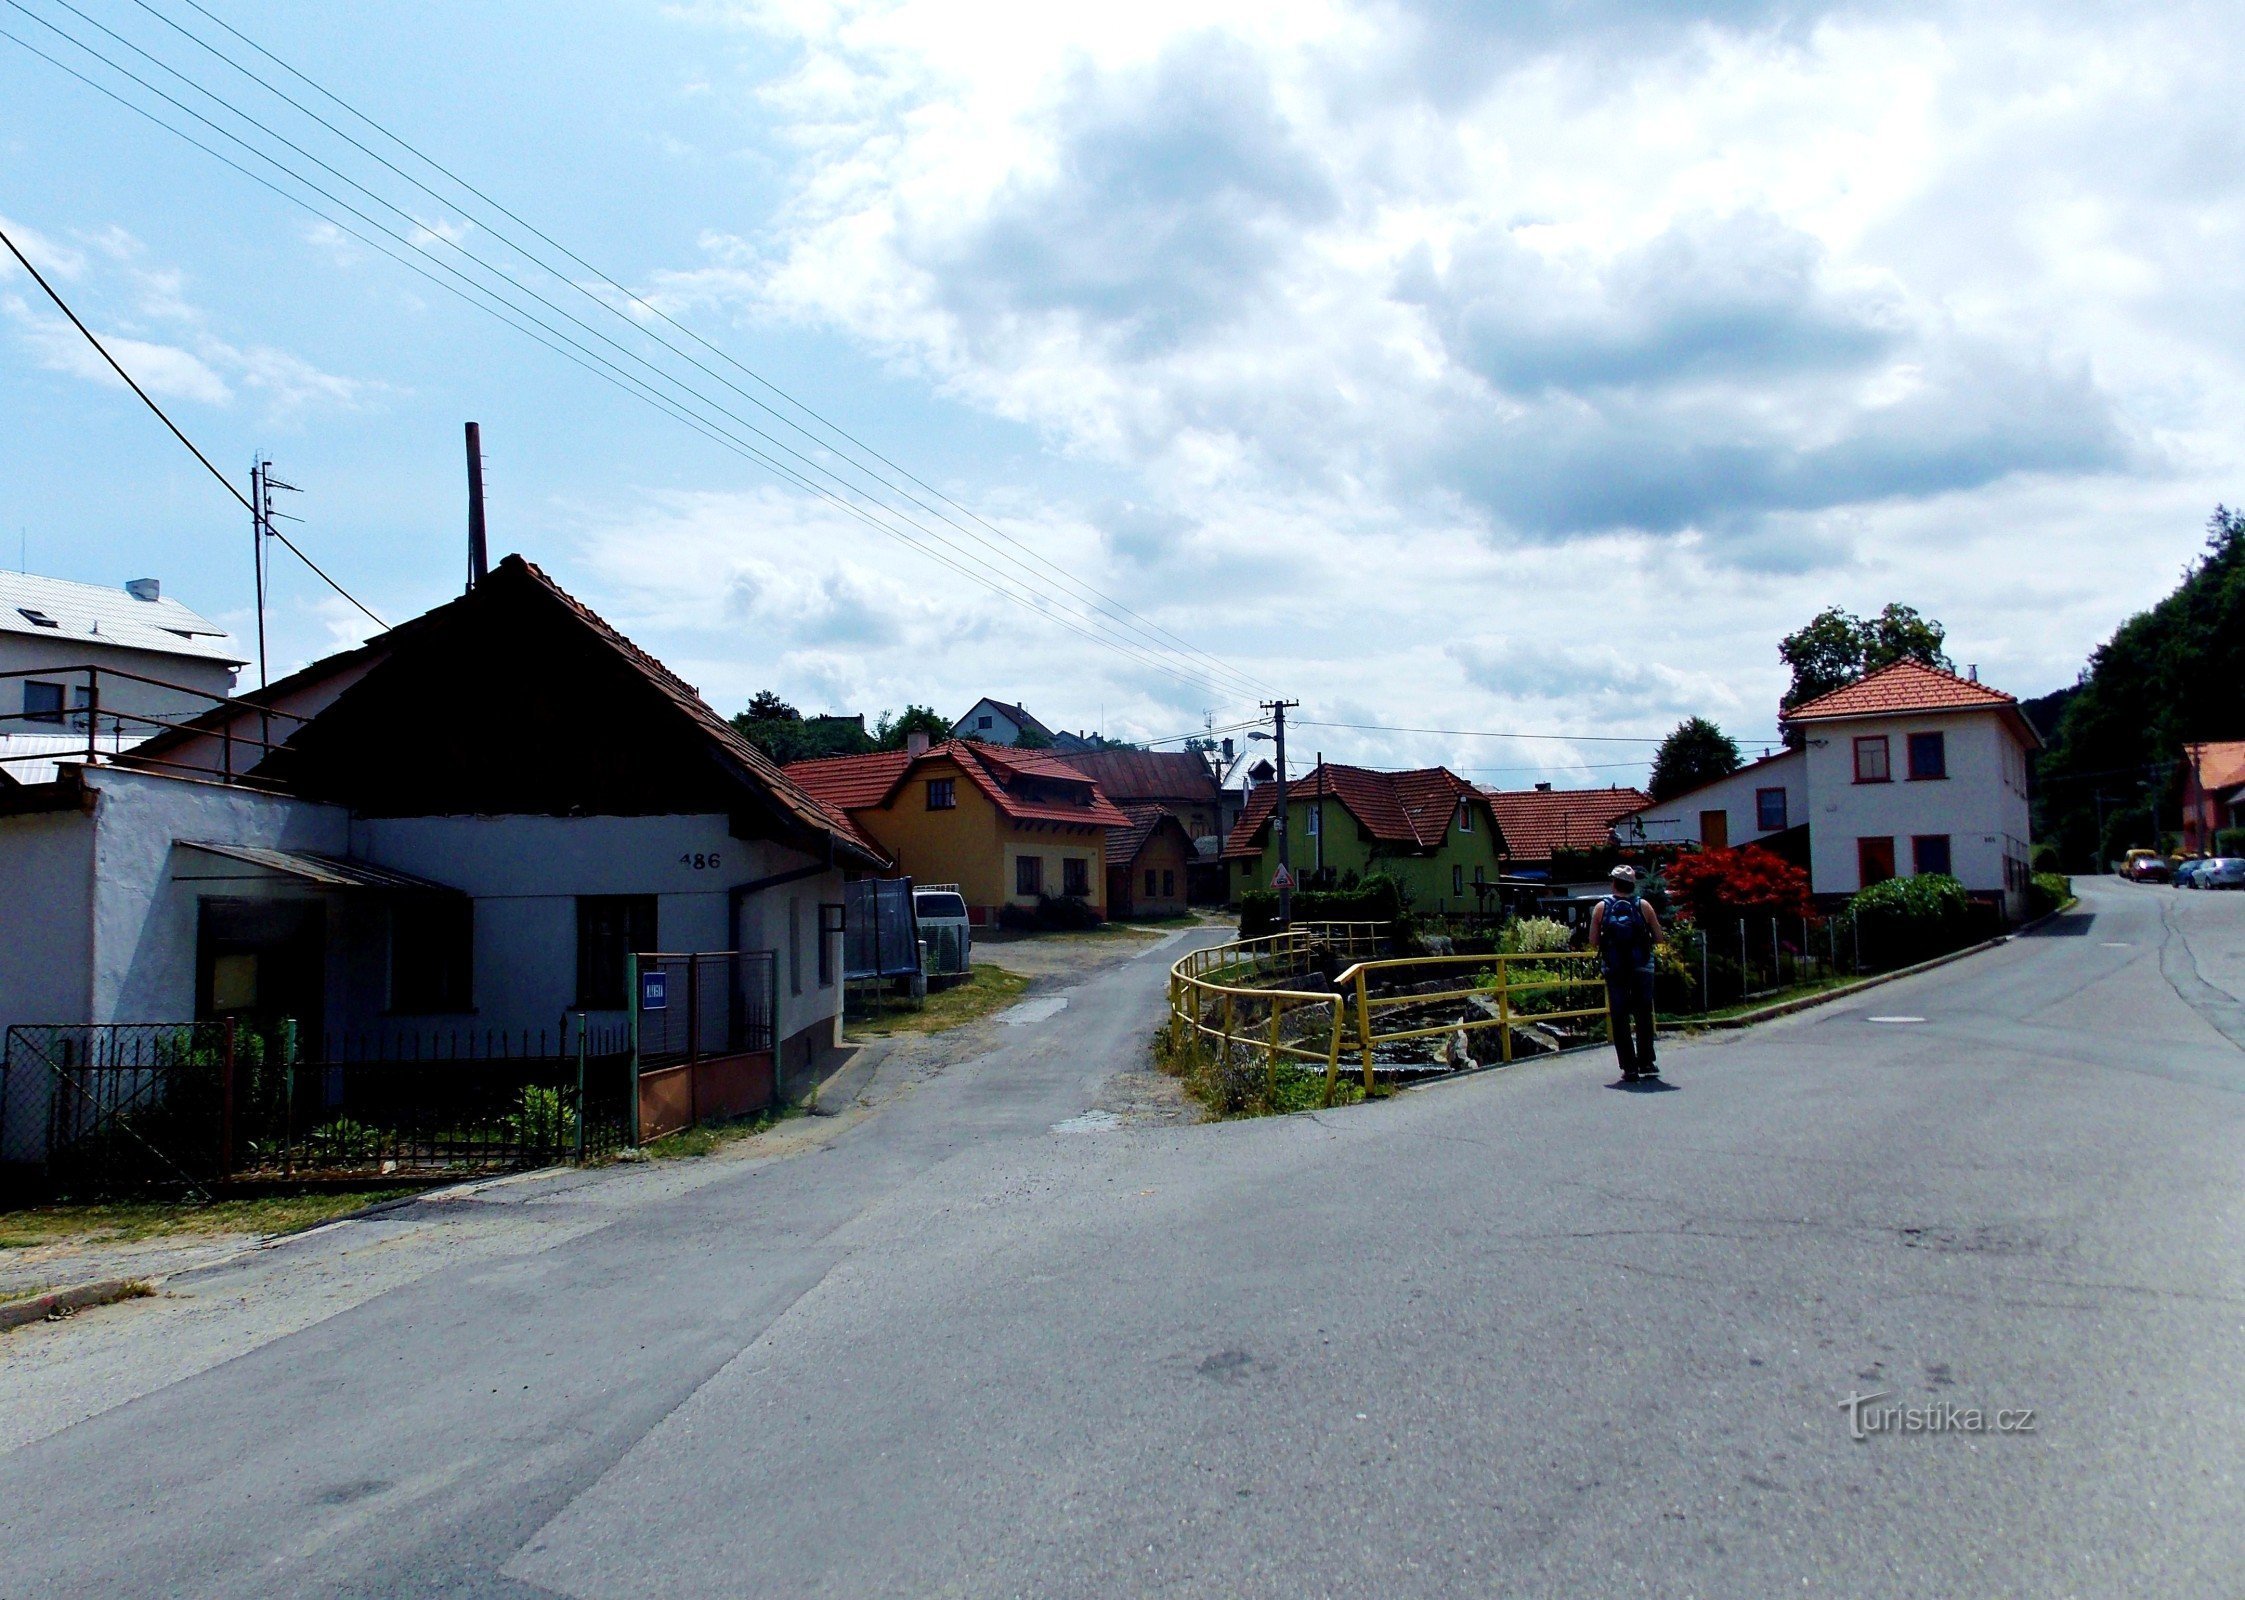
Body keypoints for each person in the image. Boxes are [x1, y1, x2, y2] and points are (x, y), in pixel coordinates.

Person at [1589, 864, 1664, 1082]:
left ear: (1613, 883)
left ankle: (1629, 1067)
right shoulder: (1644, 905)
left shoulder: (1601, 907)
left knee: (1620, 1017)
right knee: (1643, 1014)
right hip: (1642, 966)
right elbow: (1658, 937)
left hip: (1615, 968)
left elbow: (1593, 941)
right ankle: (1647, 1061)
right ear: (1633, 885)